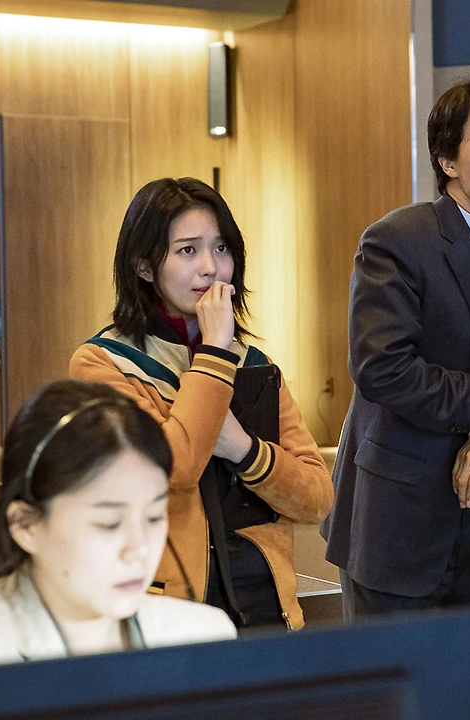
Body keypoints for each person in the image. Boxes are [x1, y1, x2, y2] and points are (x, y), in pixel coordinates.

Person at [321, 68, 470, 616]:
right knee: (399, 671)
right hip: (400, 514)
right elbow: (382, 367)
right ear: (448, 161)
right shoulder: (400, 238)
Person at [70, 177, 332, 630]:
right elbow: (176, 467)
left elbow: (317, 499)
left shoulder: (256, 365)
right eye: (188, 250)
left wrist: (243, 449)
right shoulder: (103, 363)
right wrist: (213, 350)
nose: (211, 268)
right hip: (163, 611)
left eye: (221, 248)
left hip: (263, 605)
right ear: (144, 266)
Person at [0, 380, 237, 672]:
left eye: (154, 517)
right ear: (25, 525)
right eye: (109, 524)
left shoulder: (205, 637)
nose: (139, 550)